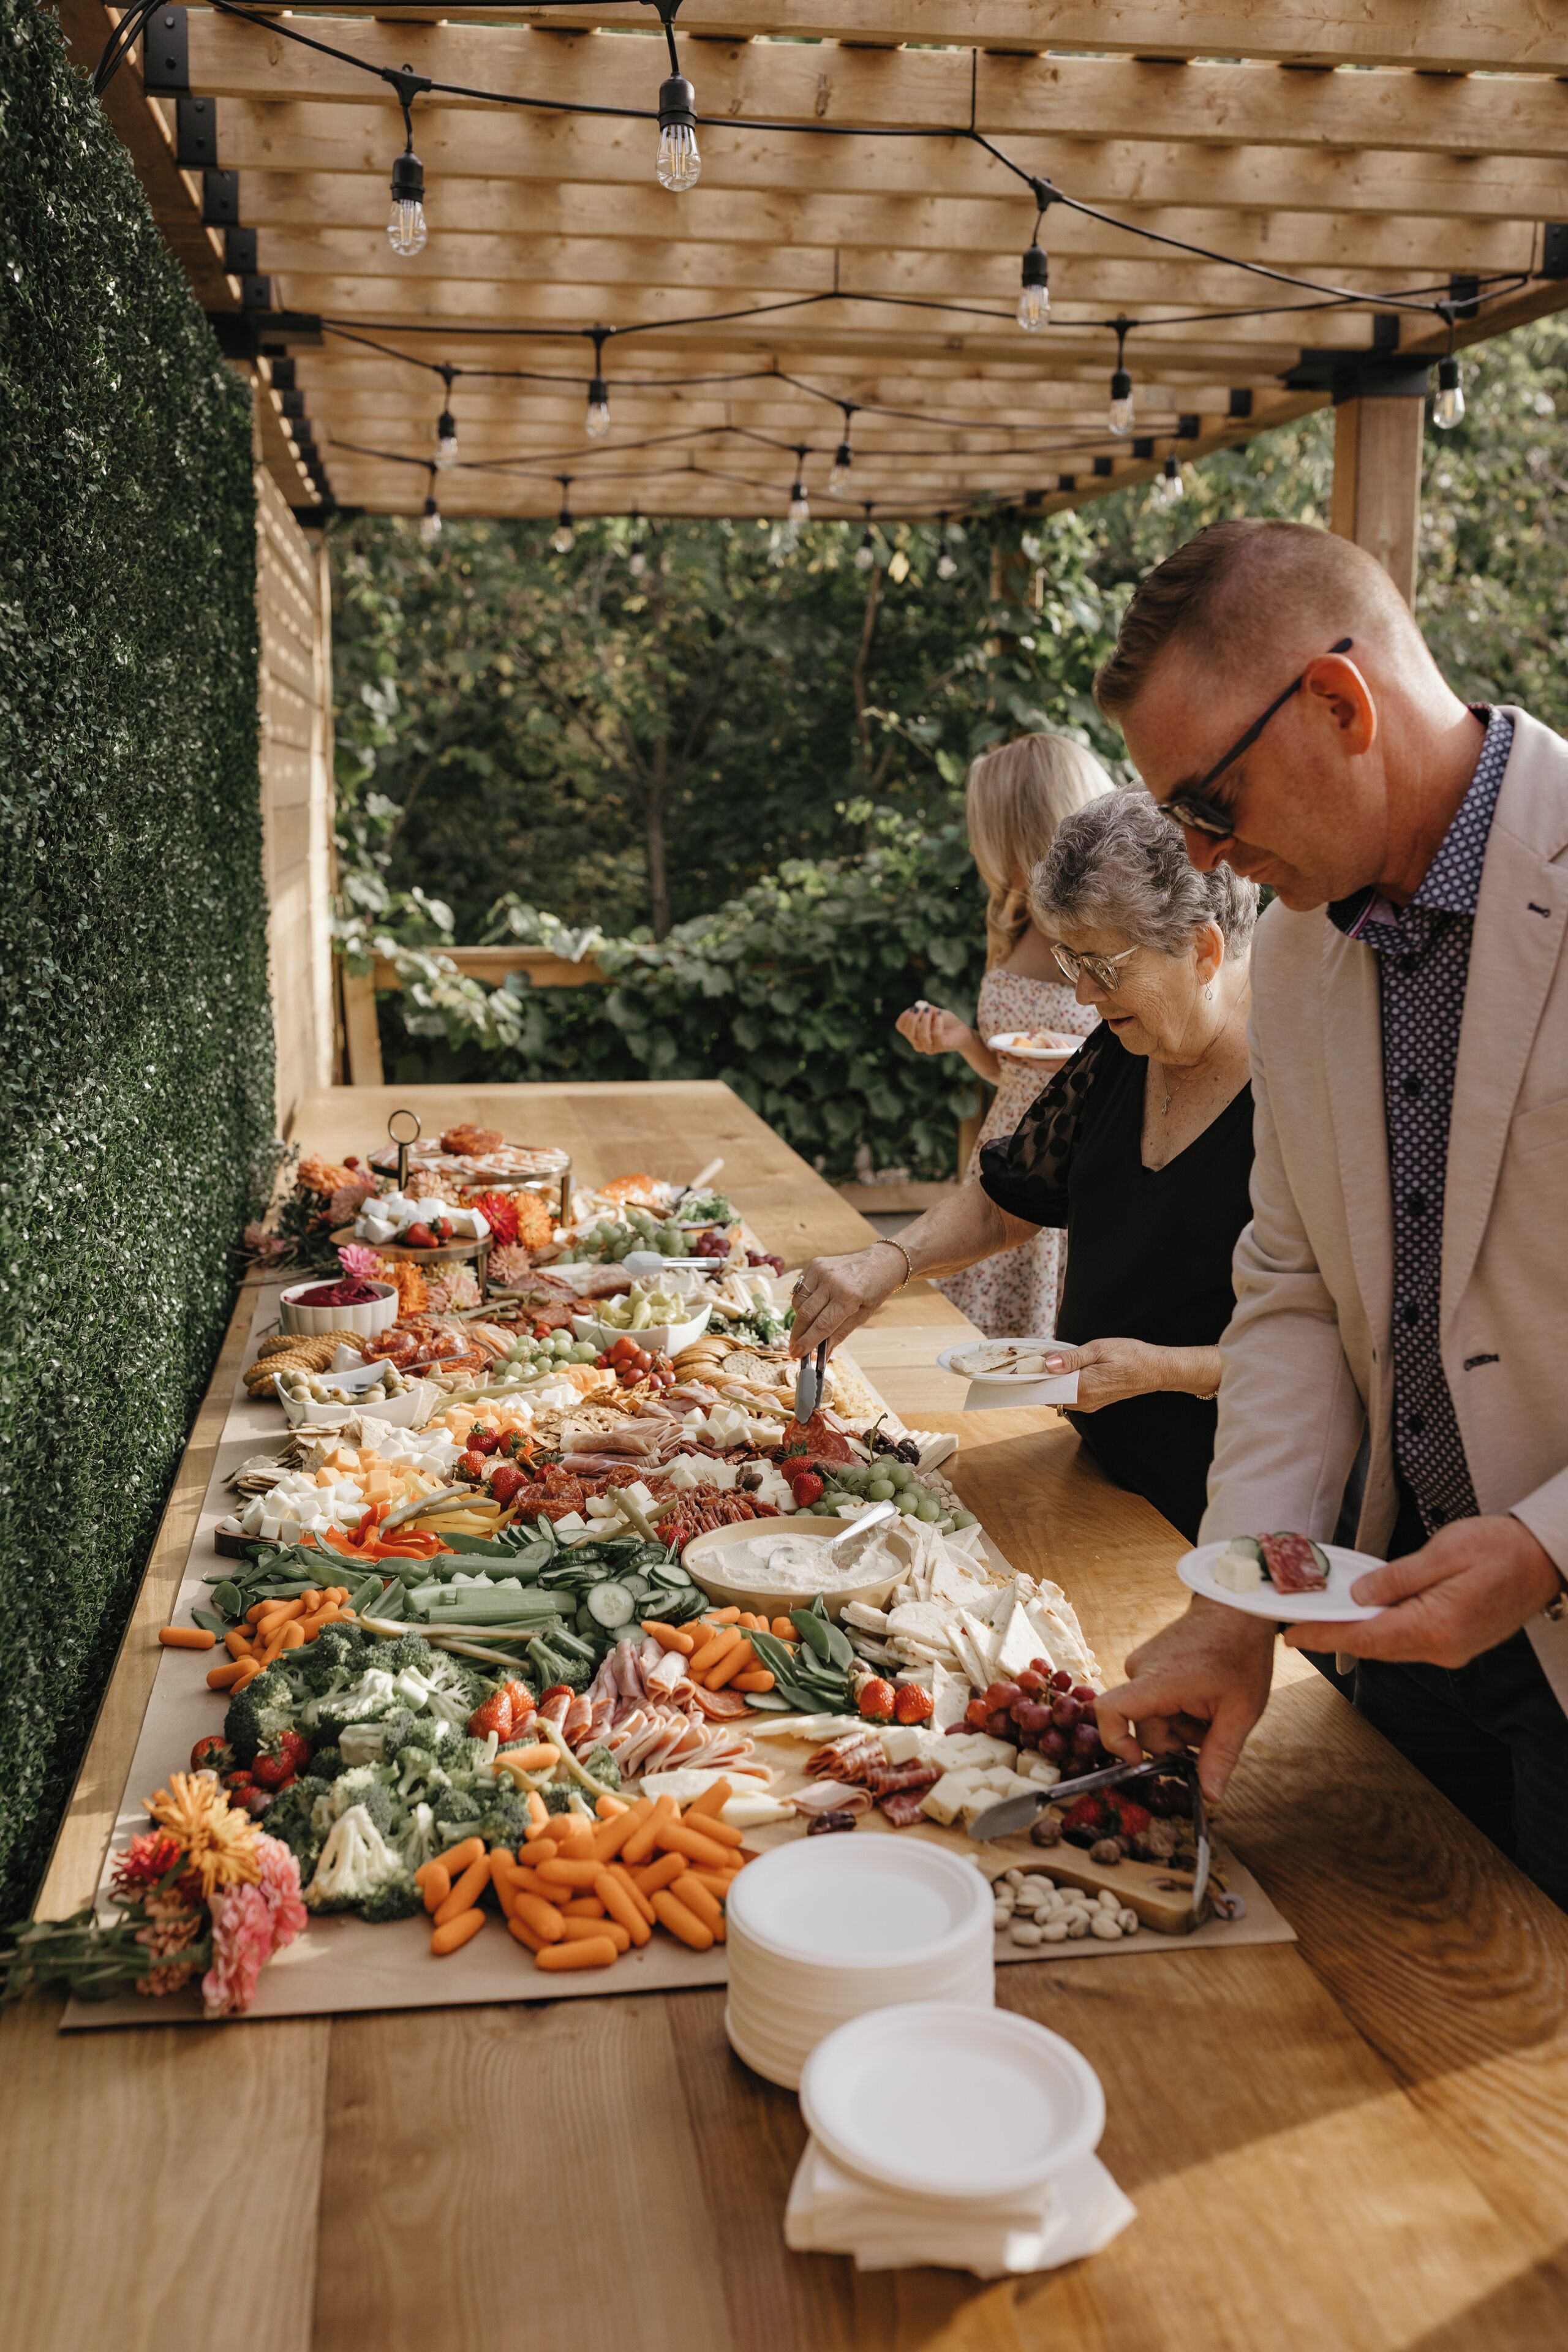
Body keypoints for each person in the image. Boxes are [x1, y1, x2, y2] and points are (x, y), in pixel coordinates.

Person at [1087, 518, 1568, 1910]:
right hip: (1383, 1627)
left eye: (1207, 804)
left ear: (1337, 702)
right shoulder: (1296, 957)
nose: (1197, 856)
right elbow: (1291, 1287)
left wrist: (1542, 1545)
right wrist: (1235, 1608)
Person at [791, 791, 1260, 1540]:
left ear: (1204, 951)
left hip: (1230, 1506)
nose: (1081, 991)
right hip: (1095, 1473)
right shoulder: (1120, 1044)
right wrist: (889, 1260)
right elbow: (1009, 1200)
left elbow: (1339, 1347)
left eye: (1101, 965)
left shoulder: (1302, 1092)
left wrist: (1172, 1370)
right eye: (1072, 960)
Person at [895, 734, 1110, 1335]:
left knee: (1051, 1350)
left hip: (1067, 1169)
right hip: (1004, 1151)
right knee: (979, 1342)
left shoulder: (1112, 930)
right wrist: (964, 1040)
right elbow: (1010, 1071)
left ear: (1023, 830)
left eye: (983, 829)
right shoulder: (1014, 916)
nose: (973, 845)